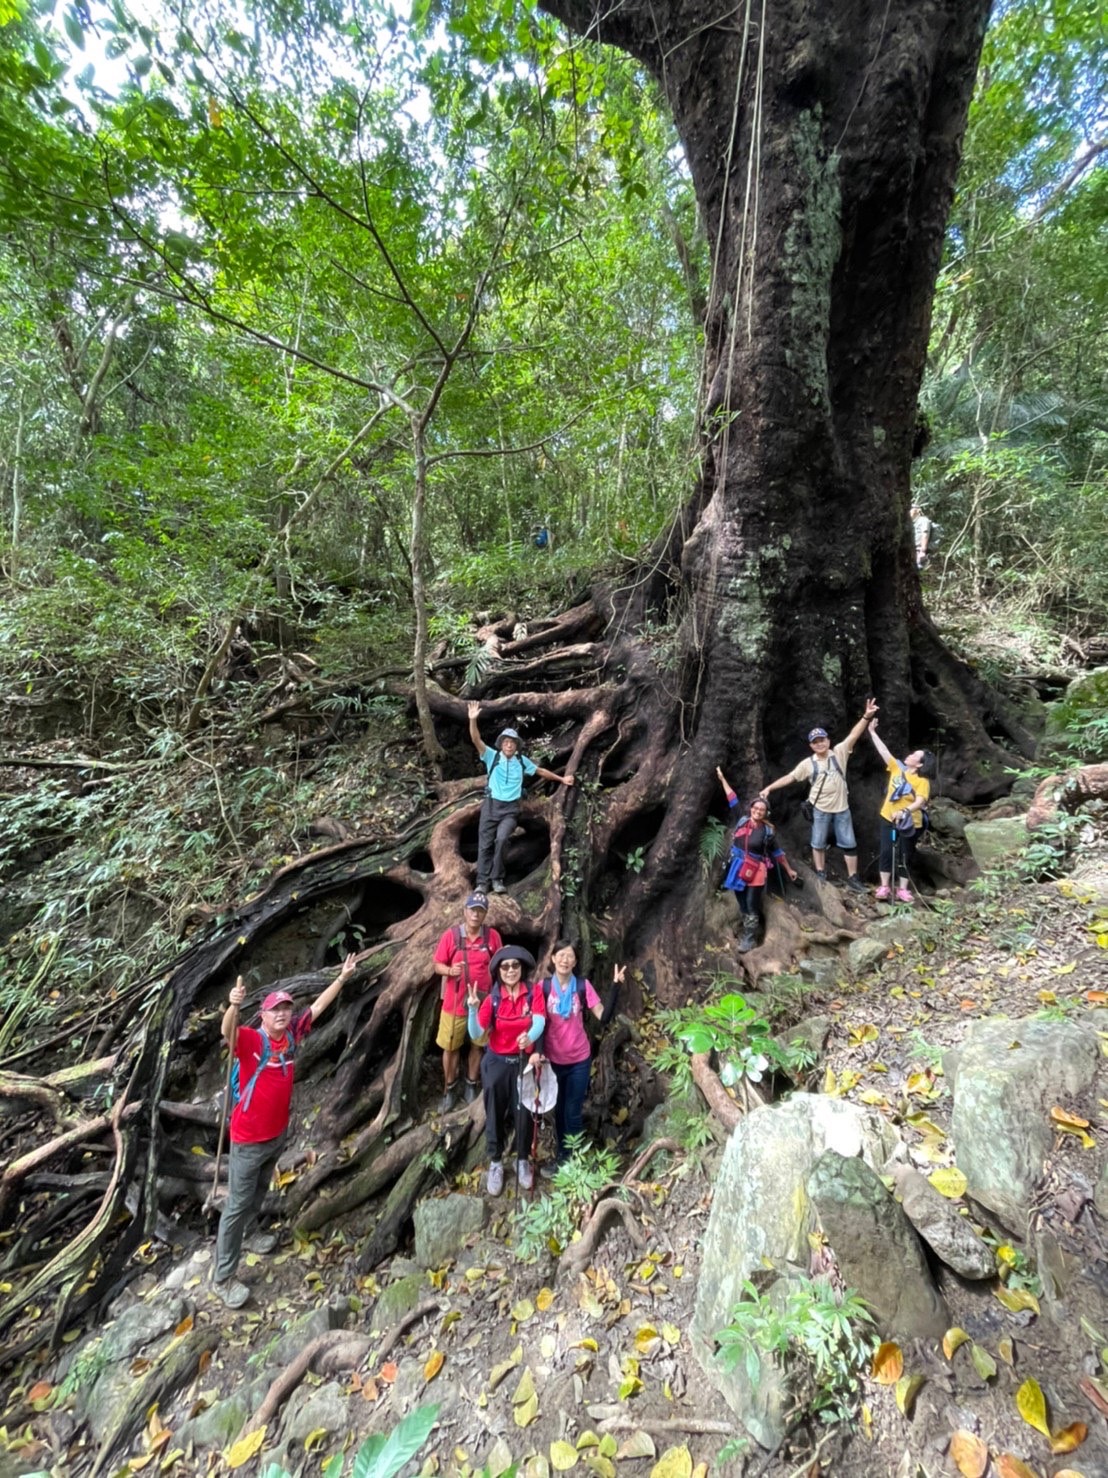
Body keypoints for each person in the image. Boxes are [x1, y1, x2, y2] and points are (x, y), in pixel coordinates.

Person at [213, 953, 357, 1308]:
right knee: (236, 1204)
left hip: (276, 1135)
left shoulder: (292, 1034)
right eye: (276, 1009)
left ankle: (252, 1233)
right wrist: (232, 1007)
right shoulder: (251, 1041)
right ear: (263, 1014)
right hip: (247, 1139)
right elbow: (227, 1031)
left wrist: (342, 977)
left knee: (261, 1189)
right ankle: (222, 1277)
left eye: (286, 1009)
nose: (282, 1014)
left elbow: (318, 1009)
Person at [759, 698, 879, 892]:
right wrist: (769, 788)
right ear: (811, 746)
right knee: (818, 842)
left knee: (849, 843)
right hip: (820, 809)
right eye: (815, 742)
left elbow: (854, 735)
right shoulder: (808, 763)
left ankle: (853, 878)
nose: (820, 744)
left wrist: (866, 716)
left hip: (842, 809)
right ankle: (821, 872)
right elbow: (790, 777)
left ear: (828, 741)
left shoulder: (839, 753)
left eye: (822, 740)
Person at [468, 701, 573, 894]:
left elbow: (540, 771)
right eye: (506, 742)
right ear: (501, 744)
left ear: (516, 746)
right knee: (485, 845)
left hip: (510, 809)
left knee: (501, 840)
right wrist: (472, 720)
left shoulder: (521, 761)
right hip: (491, 806)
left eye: (512, 742)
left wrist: (562, 778)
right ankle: (482, 883)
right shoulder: (493, 756)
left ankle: (497, 879)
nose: (509, 745)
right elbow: (476, 740)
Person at [535, 941, 624, 1171]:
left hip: (578, 1060)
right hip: (553, 1061)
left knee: (572, 1109)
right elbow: (537, 1023)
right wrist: (537, 1052)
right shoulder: (543, 988)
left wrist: (615, 987)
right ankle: (562, 1155)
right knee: (558, 1109)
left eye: (570, 956)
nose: (565, 960)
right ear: (552, 959)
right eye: (561, 955)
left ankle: (573, 1159)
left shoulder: (582, 986)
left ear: (575, 962)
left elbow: (603, 1017)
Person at [467, 945, 545, 1194]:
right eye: (505, 966)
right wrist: (472, 1009)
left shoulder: (533, 994)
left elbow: (540, 1021)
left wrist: (529, 1036)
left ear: (522, 969)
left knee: (524, 1113)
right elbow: (476, 1034)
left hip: (523, 1063)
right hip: (497, 1063)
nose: (510, 970)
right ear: (498, 971)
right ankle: (496, 1162)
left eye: (515, 965)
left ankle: (522, 1160)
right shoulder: (493, 999)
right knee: (494, 1111)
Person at [715, 771, 802, 952]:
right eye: (755, 808)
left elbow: (777, 852)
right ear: (751, 808)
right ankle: (747, 924)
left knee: (752, 901)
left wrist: (789, 870)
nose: (757, 811)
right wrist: (723, 779)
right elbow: (732, 798)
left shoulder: (768, 832)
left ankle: (749, 938)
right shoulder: (742, 820)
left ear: (765, 812)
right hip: (738, 865)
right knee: (741, 899)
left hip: (756, 869)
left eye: (761, 810)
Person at [432, 891, 502, 1111]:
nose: (476, 914)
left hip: (482, 1004)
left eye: (480, 911)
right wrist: (450, 970)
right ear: (464, 911)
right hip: (454, 1004)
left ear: (485, 914)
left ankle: (471, 1083)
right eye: (472, 909)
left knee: (478, 1045)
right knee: (450, 1047)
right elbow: (437, 965)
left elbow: (500, 964)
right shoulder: (451, 936)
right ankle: (449, 1088)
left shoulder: (492, 937)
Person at [866, 720, 934, 902]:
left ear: (919, 765)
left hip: (910, 822)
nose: (910, 755)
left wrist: (905, 811)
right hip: (888, 817)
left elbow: (920, 801)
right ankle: (884, 886)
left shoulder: (922, 782)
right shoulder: (897, 768)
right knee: (886, 851)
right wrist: (872, 732)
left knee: (905, 854)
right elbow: (884, 752)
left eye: (914, 755)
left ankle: (902, 889)